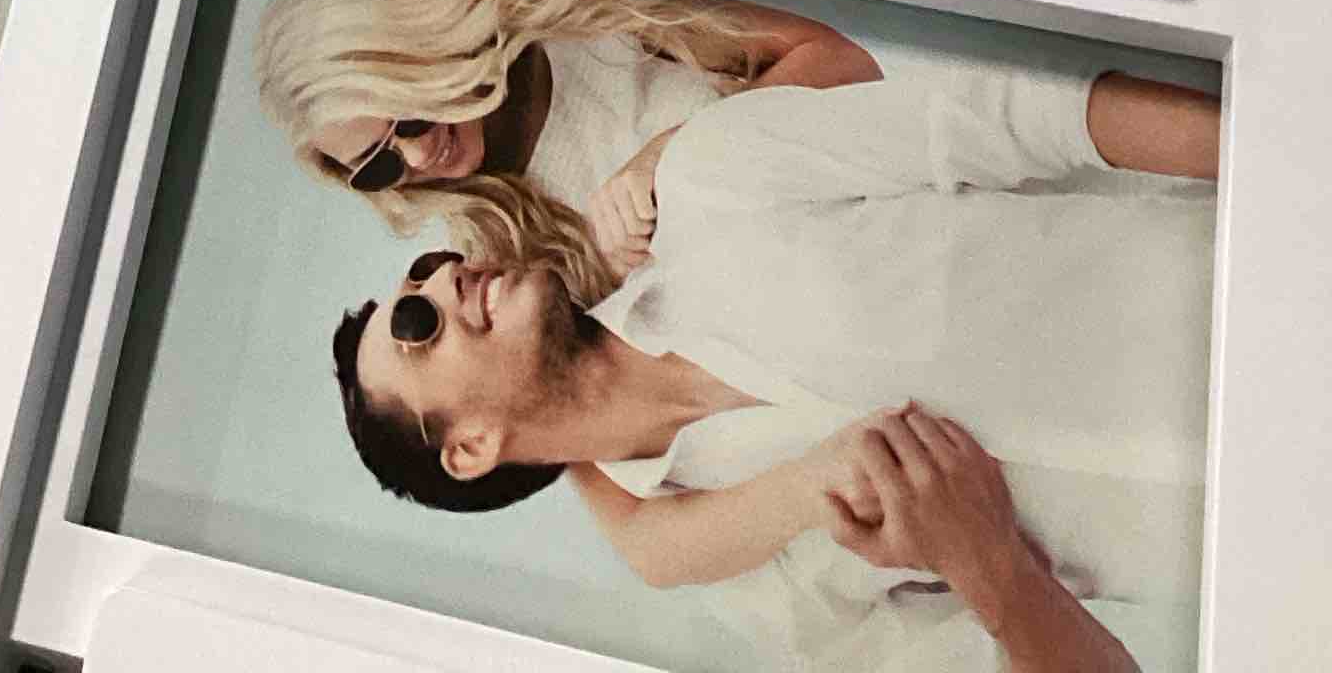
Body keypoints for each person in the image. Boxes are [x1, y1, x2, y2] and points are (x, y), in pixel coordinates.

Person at [333, 59, 1220, 666]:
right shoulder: (758, 586)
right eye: (417, 323)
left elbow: (1024, 112)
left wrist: (1284, 154)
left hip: (1256, 269)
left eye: (423, 270)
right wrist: (993, 569)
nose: (443, 279)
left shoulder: (706, 182)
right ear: (470, 447)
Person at [255, 0, 880, 297]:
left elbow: (845, 62)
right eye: (380, 165)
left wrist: (677, 152)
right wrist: (606, 277)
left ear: (424, 48)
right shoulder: (491, 258)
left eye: (410, 117)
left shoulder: (590, 18)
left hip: (876, 217)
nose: (418, 159)